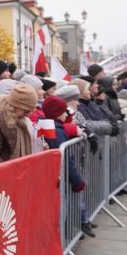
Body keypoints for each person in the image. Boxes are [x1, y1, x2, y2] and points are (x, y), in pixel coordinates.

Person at [41, 96, 93, 238]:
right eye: (64, 111)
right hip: (58, 178)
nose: (66, 114)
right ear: (57, 113)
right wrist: (77, 181)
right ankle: (61, 252)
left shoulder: (47, 125)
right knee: (59, 216)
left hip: (53, 177)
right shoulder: (56, 130)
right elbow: (64, 158)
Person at [0, 84, 38, 165]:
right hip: (3, 174)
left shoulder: (17, 119)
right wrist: (9, 174)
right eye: (26, 111)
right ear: (16, 105)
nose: (28, 114)